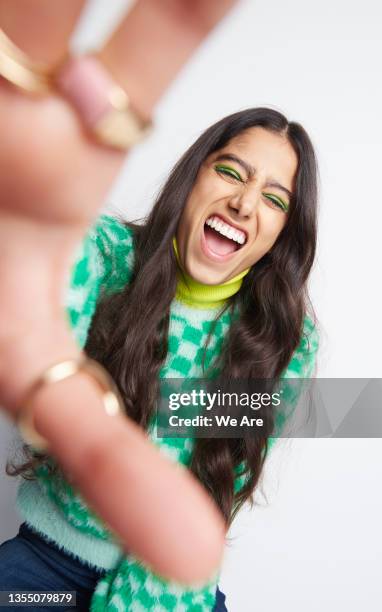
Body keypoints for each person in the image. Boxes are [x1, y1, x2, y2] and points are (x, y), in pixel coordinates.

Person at [0, 4, 319, 611]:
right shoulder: (105, 254)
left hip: (176, 589)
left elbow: (204, 481)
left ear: (283, 232)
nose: (245, 204)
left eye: (274, 199)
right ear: (192, 178)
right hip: (42, 570)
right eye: (230, 171)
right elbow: (45, 307)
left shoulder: (283, 341)